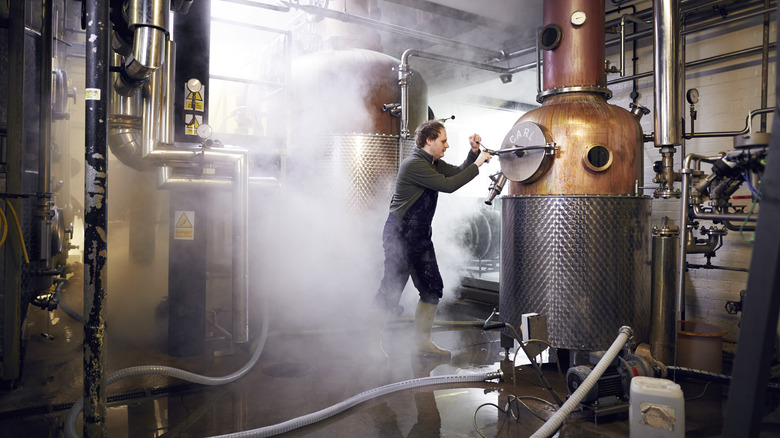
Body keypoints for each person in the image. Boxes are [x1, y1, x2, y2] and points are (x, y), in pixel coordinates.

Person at [372, 120, 492, 357]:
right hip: (400, 235)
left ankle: (421, 342)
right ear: (429, 140)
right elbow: (449, 185)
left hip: (420, 236)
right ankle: (370, 342)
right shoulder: (414, 164)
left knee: (432, 288)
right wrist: (479, 163)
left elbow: (457, 172)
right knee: (391, 289)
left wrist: (473, 153)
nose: (447, 145)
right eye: (443, 141)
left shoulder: (433, 163)